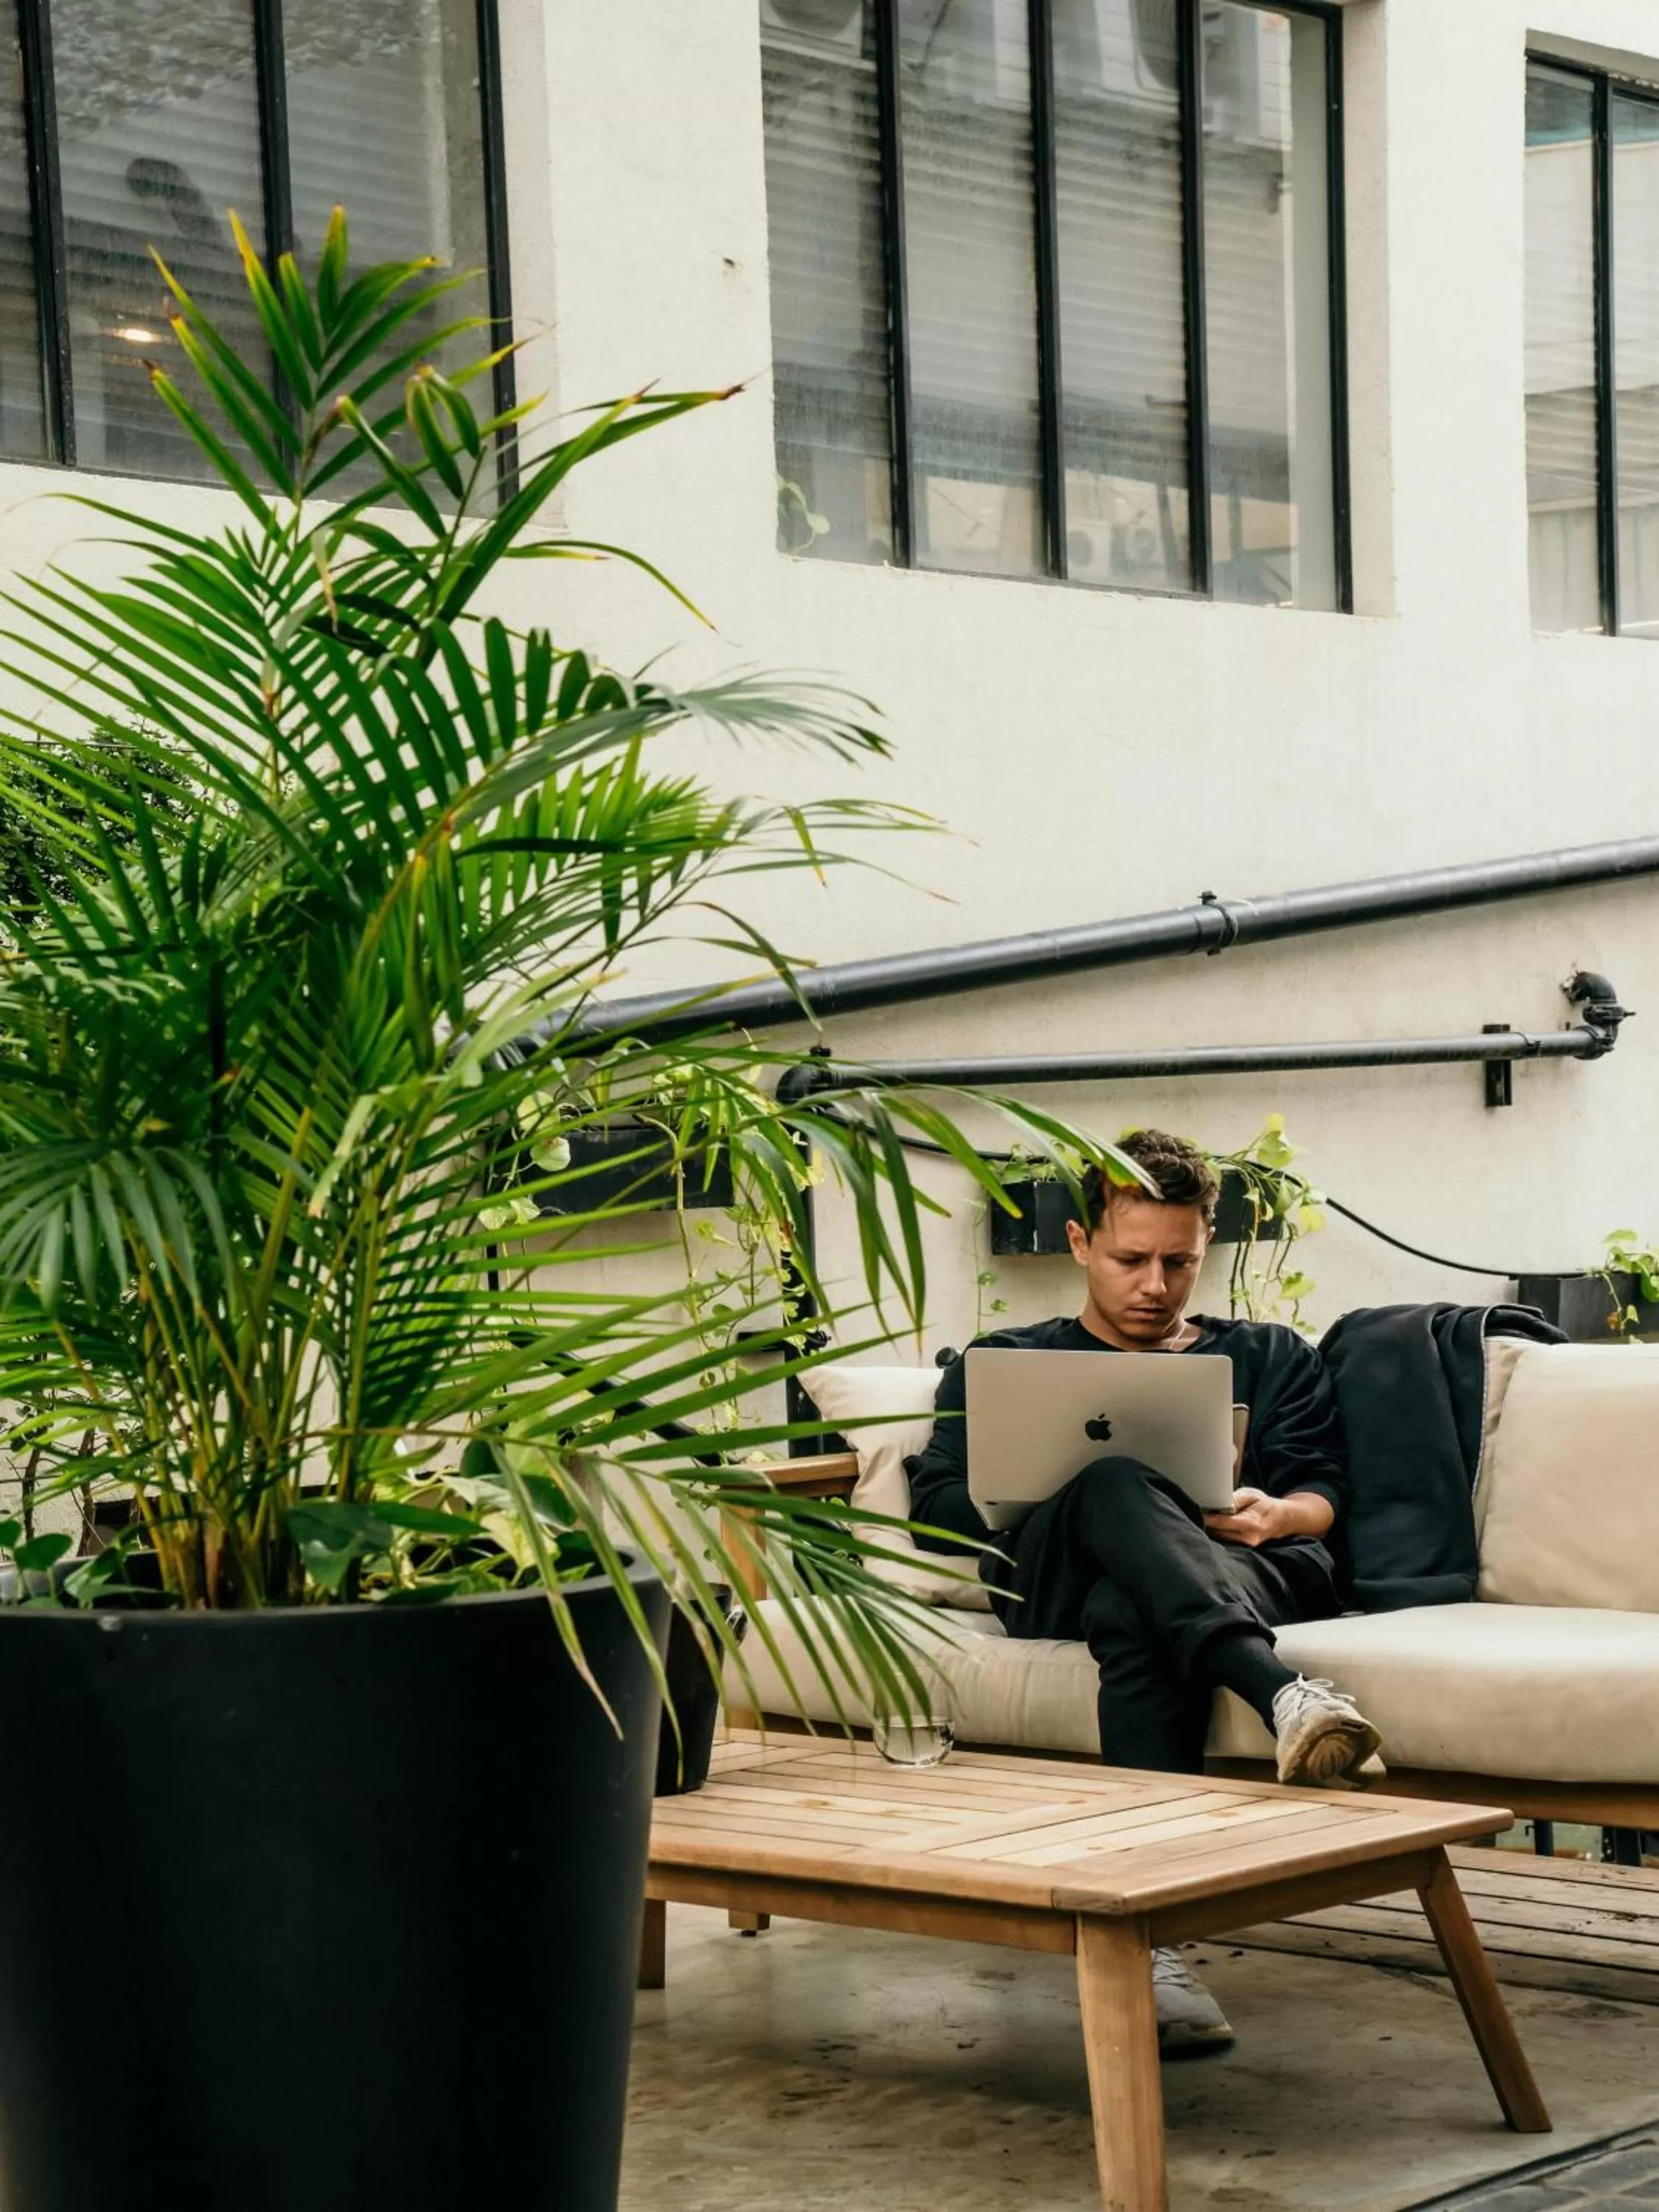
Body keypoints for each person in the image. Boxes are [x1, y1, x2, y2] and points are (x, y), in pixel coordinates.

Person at [904, 1127, 1382, 2051]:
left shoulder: (1272, 1355)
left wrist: (1274, 1515)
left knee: (1134, 1608)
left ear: (1208, 1247)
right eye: (1131, 1258)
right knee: (1117, 1480)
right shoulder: (1003, 1363)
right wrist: (1064, 1495)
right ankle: (1281, 1693)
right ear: (1081, 1243)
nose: (1154, 1285)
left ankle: (1152, 1946)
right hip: (1053, 1572)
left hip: (1243, 1567)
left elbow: (1325, 1493)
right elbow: (935, 1506)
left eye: (1180, 1261)